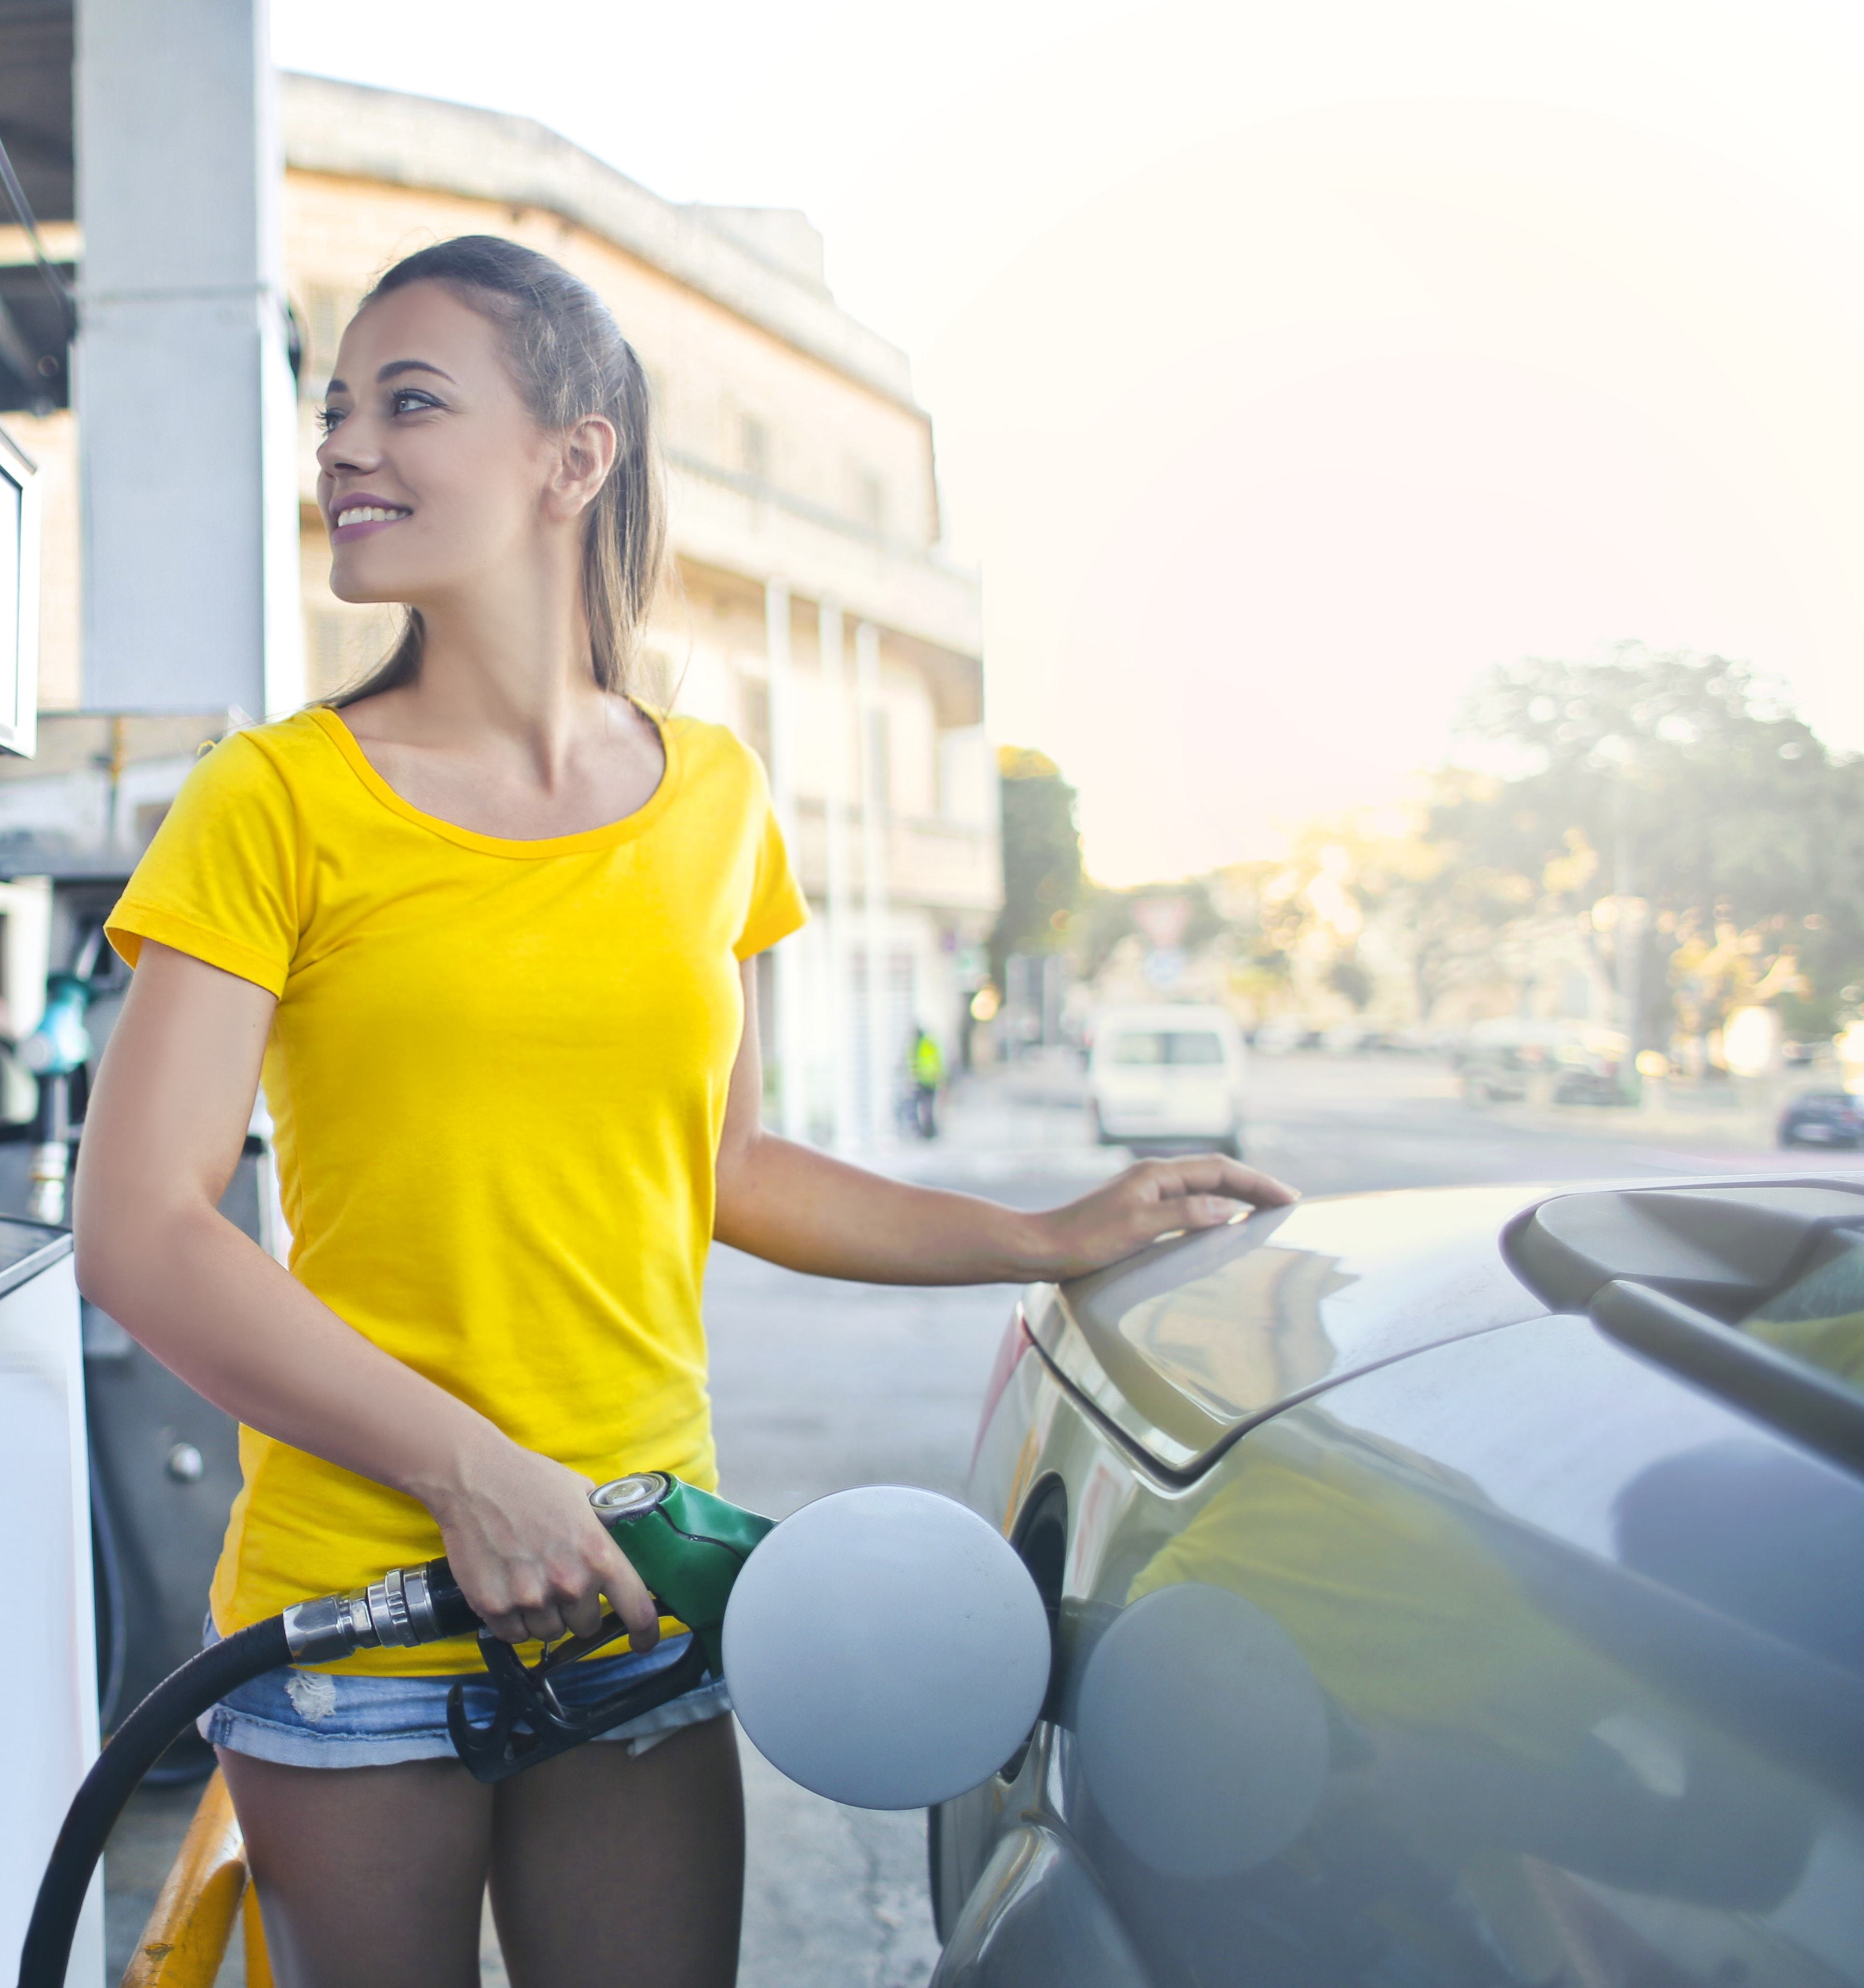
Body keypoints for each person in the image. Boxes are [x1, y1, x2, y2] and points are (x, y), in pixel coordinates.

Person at [73, 235, 1296, 1988]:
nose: (343, 448)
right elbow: (143, 1227)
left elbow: (725, 1167)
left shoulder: (714, 800)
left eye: (408, 402)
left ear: (578, 455)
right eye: (333, 411)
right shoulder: (274, 801)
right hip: (356, 1622)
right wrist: (468, 1471)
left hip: (635, 1594)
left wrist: (1046, 1236)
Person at [909, 1025, 945, 1139]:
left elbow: (937, 1060)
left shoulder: (923, 1044)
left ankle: (929, 1130)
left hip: (928, 1081)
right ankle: (927, 1130)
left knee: (927, 1107)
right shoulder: (919, 1044)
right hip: (924, 1081)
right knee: (926, 1107)